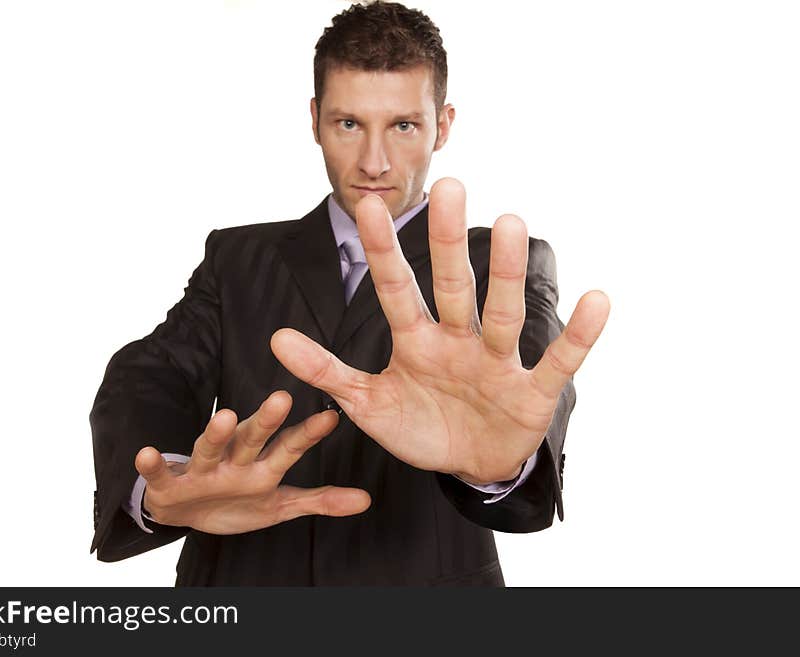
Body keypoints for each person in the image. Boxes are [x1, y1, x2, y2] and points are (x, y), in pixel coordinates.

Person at [89, 0, 609, 586]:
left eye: (404, 126)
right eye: (349, 124)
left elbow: (534, 380)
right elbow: (149, 375)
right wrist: (161, 486)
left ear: (444, 125)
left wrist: (506, 463)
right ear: (314, 121)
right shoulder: (237, 257)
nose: (374, 161)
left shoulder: (501, 265)